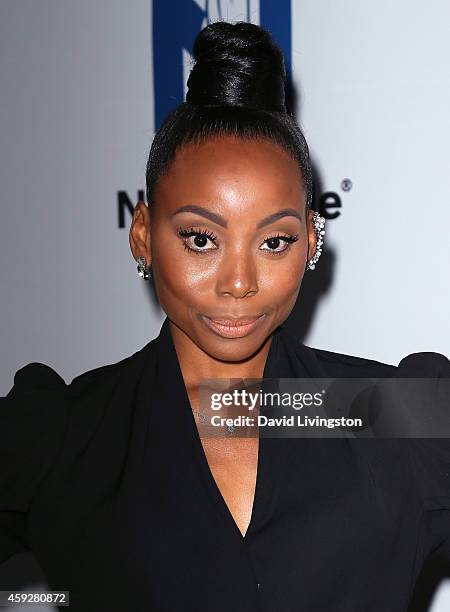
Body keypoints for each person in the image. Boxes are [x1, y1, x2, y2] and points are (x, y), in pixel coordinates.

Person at [1, 20, 449, 612]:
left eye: (274, 242)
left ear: (313, 241)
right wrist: (37, 596)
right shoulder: (63, 433)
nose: (238, 283)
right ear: (142, 235)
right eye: (200, 239)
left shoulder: (390, 414)